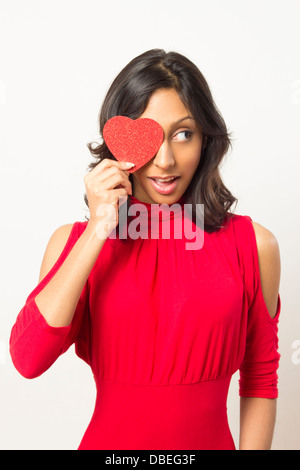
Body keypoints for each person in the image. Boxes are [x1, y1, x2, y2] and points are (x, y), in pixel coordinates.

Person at [9, 49, 281, 450]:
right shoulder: (74, 244)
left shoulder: (253, 245)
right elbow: (28, 360)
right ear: (118, 142)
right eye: (149, 137)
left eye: (184, 133)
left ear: (206, 140)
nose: (166, 161)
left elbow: (260, 377)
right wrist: (99, 228)